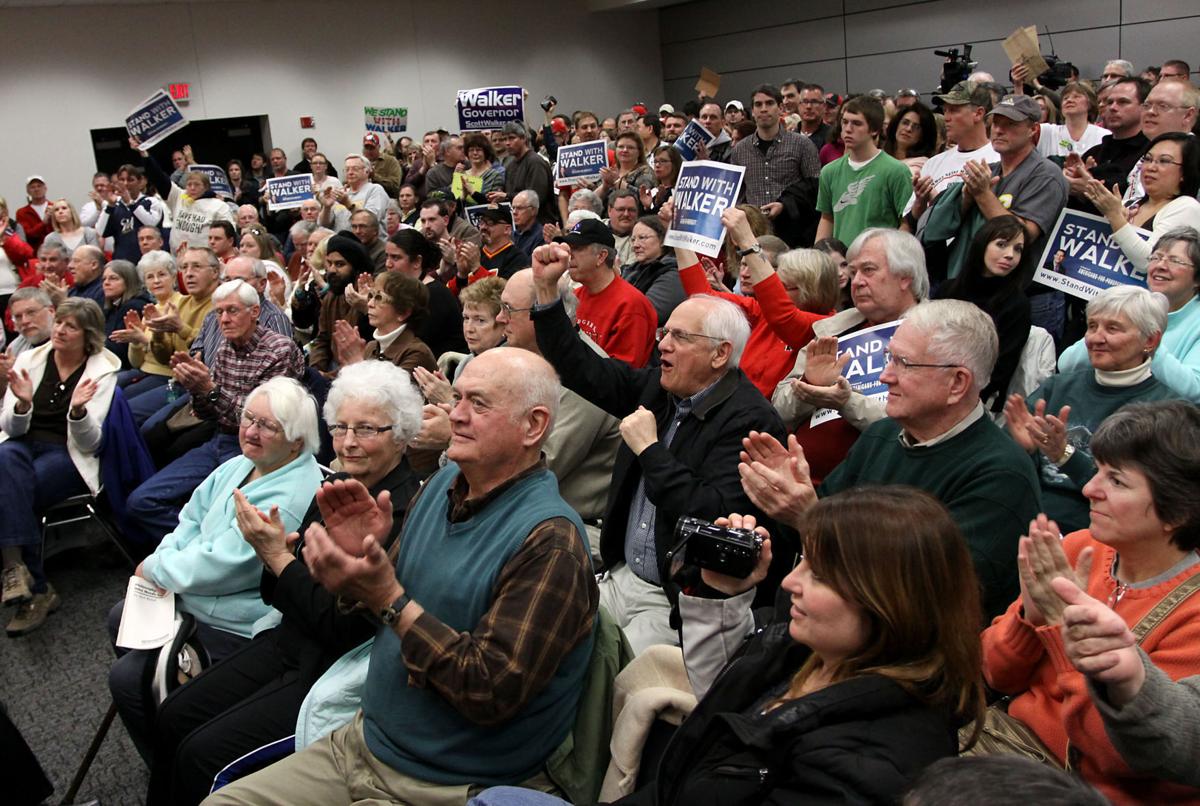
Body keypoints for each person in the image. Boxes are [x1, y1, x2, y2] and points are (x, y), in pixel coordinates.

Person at [202, 348, 598, 805]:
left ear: (533, 426)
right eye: (457, 398)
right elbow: (369, 606)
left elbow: (488, 690)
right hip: (364, 743)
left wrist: (387, 595)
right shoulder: (444, 486)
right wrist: (358, 561)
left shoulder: (550, 541)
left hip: (443, 782)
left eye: (478, 404)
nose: (456, 415)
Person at [473, 489, 987, 806]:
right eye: (802, 563)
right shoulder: (808, 654)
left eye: (821, 575)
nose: (790, 584)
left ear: (890, 601)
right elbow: (716, 693)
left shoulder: (872, 765)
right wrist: (723, 593)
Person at [146, 362, 424, 806]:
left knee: (200, 753)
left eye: (367, 429)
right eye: (341, 427)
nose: (348, 442)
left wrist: (278, 558)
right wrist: (281, 563)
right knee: (173, 714)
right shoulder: (338, 483)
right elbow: (276, 594)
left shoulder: (405, 510)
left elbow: (338, 629)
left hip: (327, 670)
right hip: (286, 639)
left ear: (402, 435)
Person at [531, 242, 786, 653]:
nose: (663, 345)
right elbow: (582, 368)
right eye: (664, 333)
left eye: (679, 337)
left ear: (720, 354)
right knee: (548, 643)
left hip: (674, 600)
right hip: (620, 577)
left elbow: (715, 516)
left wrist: (650, 451)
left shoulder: (750, 421)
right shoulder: (660, 388)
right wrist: (546, 293)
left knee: (612, 678)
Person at [757, 299, 1042, 619]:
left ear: (957, 383)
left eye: (903, 363)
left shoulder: (1002, 474)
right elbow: (811, 532)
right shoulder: (881, 436)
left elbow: (930, 597)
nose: (885, 376)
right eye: (888, 358)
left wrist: (809, 517)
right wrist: (783, 499)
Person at [980, 400, 1200, 804]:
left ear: (1178, 512)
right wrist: (1029, 618)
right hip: (1006, 746)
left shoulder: (1194, 612)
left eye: (1116, 481)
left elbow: (1117, 757)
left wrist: (1063, 631)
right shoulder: (1081, 548)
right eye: (1096, 470)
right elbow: (994, 673)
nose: (1088, 489)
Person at [109, 376, 323, 762]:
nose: (251, 431)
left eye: (267, 426)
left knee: (126, 680)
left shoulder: (288, 499)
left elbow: (223, 566)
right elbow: (191, 517)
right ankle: (165, 725)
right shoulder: (245, 464)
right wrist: (162, 561)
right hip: (199, 596)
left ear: (297, 441)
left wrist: (156, 568)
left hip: (233, 623)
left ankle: (168, 763)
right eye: (248, 418)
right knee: (120, 619)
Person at [126, 279, 306, 544]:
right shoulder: (223, 348)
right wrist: (195, 389)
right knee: (142, 502)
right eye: (219, 312)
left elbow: (264, 423)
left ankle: (210, 548)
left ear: (254, 312)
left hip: (259, 450)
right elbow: (208, 414)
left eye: (232, 310)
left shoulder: (279, 351)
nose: (224, 319)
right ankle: (195, 547)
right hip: (220, 439)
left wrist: (209, 389)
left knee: (228, 518)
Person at [1006, 285, 1181, 534]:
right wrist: (1026, 450)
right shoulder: (1057, 387)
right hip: (1023, 520)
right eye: (1092, 326)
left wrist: (1064, 455)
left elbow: (1136, 496)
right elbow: (1007, 463)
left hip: (1097, 536)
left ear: (1150, 340)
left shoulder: (1168, 411)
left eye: (1113, 328)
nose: (1095, 338)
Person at [0, 298, 119, 635]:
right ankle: (20, 572)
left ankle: (32, 584)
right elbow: (10, 427)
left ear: (88, 335)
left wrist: (78, 413)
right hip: (23, 442)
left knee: (14, 492)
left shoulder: (102, 370)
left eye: (71, 326)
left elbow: (90, 444)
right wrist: (22, 404)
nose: (60, 330)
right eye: (60, 322)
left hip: (67, 452)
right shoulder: (30, 359)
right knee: (5, 459)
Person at [772, 228, 926, 482]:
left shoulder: (933, 335)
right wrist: (810, 384)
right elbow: (780, 409)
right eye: (853, 273)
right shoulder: (831, 330)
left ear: (905, 278)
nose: (856, 282)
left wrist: (845, 402)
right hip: (801, 477)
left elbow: (918, 424)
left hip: (875, 488)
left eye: (868, 270)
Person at [1052, 574, 1200, 789]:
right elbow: (1002, 674)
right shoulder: (1081, 556)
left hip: (1074, 780)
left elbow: (1114, 757)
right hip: (1016, 735)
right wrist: (1029, 615)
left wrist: (1133, 684)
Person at [677, 207, 834, 397]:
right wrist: (678, 231)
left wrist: (746, 239)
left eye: (782, 286)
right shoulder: (760, 311)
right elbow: (702, 295)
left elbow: (784, 316)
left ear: (810, 290)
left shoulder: (827, 327)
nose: (774, 292)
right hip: (738, 407)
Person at [1059, 226, 1200, 402]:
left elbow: (1194, 390)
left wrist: (1146, 339)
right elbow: (1067, 364)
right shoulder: (1128, 306)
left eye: (1175, 261)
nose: (1160, 266)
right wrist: (1103, 327)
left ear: (1197, 278)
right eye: (1156, 257)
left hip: (1161, 414)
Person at [935, 216, 1032, 413]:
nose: (1010, 255)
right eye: (1002, 244)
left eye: (1018, 249)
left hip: (974, 399)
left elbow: (1001, 370)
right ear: (982, 245)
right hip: (930, 379)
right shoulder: (948, 290)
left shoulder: (1017, 305)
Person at [1083, 131, 1200, 274]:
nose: (1151, 167)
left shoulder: (1187, 207)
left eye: (1164, 161)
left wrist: (1115, 217)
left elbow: (1149, 262)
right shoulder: (1128, 203)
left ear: (1185, 172)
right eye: (1148, 159)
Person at [548, 219, 657, 368]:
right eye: (569, 248)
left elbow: (622, 375)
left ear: (601, 256)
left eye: (577, 248)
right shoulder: (575, 295)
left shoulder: (631, 305)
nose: (568, 255)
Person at [815, 96, 914, 245]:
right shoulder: (829, 171)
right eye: (845, 122)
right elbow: (827, 218)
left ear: (874, 130)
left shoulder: (896, 171)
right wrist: (820, 254)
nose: (848, 129)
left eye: (856, 123)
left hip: (880, 255)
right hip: (841, 257)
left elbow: (906, 223)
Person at [730, 84, 821, 220]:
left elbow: (815, 188)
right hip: (755, 227)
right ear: (753, 111)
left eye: (769, 103)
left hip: (793, 224)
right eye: (758, 105)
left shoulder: (802, 144)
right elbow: (737, 194)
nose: (764, 109)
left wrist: (786, 205)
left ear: (780, 108)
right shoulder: (739, 150)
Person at [385, 227, 468, 357]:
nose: (388, 264)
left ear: (417, 261)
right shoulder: (400, 290)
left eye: (395, 258)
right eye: (387, 256)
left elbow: (411, 342)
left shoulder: (434, 295)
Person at [333, 272, 436, 374]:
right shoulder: (372, 347)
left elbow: (387, 385)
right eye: (371, 296)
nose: (369, 304)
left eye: (379, 298)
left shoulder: (417, 353)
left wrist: (356, 361)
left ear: (403, 313)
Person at [112, 250, 181, 398]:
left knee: (121, 399)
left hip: (167, 377)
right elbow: (136, 362)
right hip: (143, 372)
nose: (156, 281)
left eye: (162, 275)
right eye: (150, 277)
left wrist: (143, 339)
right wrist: (135, 342)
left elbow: (173, 359)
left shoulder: (180, 305)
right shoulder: (150, 309)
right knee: (104, 389)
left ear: (174, 277)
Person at [620, 215, 683, 326]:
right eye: (633, 240)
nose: (635, 245)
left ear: (663, 240)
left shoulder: (673, 274)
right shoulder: (631, 269)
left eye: (642, 238)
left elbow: (645, 314)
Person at [496, 122, 556, 224]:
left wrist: (506, 196)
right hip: (519, 224)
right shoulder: (510, 165)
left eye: (511, 138)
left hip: (540, 224)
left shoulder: (535, 162)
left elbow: (536, 198)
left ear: (523, 138)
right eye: (504, 139)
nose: (507, 143)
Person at [99, 259, 153, 369]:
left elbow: (121, 352)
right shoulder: (113, 307)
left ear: (129, 281)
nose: (106, 283)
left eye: (113, 278)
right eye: (104, 279)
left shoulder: (134, 307)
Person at [882, 101, 939, 178]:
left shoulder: (921, 164)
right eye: (905, 123)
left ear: (923, 135)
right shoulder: (880, 155)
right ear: (896, 125)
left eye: (916, 127)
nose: (908, 129)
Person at [599, 131, 655, 209]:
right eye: (621, 147)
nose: (625, 150)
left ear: (639, 152)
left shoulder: (645, 171)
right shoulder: (612, 170)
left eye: (630, 147)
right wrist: (604, 187)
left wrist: (617, 182)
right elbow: (594, 202)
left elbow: (644, 196)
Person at [14, 176, 51, 251]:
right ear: (28, 191)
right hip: (34, 252)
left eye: (39, 186)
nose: (36, 189)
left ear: (45, 188)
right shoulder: (22, 213)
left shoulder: (55, 208)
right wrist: (43, 223)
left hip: (56, 251)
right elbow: (26, 234)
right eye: (33, 187)